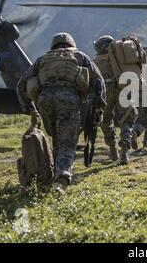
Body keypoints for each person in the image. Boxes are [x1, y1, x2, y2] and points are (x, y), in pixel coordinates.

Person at [17, 32, 106, 194]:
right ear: (71, 44)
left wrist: (29, 109)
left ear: (53, 46)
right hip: (69, 99)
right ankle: (61, 181)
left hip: (44, 101)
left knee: (57, 137)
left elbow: (21, 85)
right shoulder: (80, 56)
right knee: (67, 143)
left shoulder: (42, 59)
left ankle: (50, 176)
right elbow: (98, 82)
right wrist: (98, 106)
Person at [94, 35, 138, 164]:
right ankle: (124, 152)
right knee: (127, 119)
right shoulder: (121, 58)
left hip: (105, 91)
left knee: (106, 120)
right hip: (123, 88)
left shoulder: (96, 61)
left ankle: (113, 147)